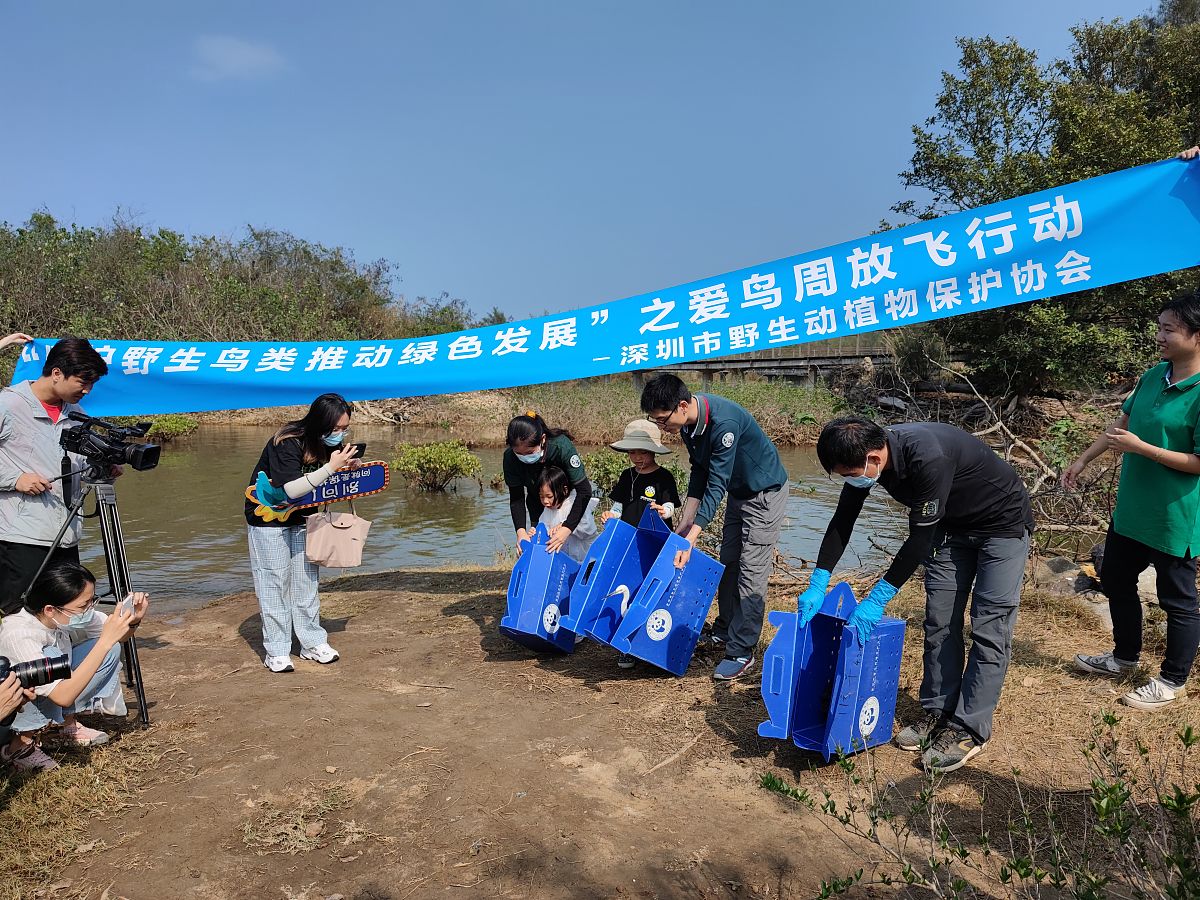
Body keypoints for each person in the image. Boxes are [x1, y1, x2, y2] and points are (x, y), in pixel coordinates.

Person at [805, 417, 1033, 773]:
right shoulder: (865, 459)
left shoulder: (929, 457)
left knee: (989, 628)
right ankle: (938, 711)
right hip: (950, 528)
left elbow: (918, 539)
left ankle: (968, 728)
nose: (850, 479)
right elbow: (843, 519)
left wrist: (878, 598)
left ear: (874, 459)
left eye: (850, 472)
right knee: (940, 620)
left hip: (1000, 525)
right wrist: (819, 579)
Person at [1065, 293, 1200, 711]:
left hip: (1175, 516)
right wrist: (1084, 458)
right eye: (1159, 327)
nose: (1159, 336)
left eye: (1169, 330)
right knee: (1117, 580)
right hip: (1132, 511)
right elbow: (1119, 427)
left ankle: (1172, 680)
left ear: (1197, 336)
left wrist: (1145, 449)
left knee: (1178, 599)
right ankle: (1123, 657)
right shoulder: (1153, 376)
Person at [640, 374, 789, 682]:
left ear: (682, 406)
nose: (662, 427)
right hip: (739, 492)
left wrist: (691, 538)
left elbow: (716, 484)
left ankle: (741, 651)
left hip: (764, 493)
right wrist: (685, 521)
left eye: (662, 419)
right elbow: (700, 472)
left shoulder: (724, 424)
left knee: (751, 571)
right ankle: (724, 631)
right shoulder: (687, 425)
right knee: (729, 562)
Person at [246, 393, 359, 673]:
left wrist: (346, 467)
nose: (341, 435)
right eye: (337, 429)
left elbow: (326, 475)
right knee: (274, 581)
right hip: (269, 517)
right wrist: (331, 467)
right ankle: (277, 650)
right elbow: (290, 490)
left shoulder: (326, 442)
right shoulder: (287, 442)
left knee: (306, 580)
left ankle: (311, 643)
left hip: (304, 517)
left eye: (345, 429)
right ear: (320, 424)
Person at [0, 336, 110, 615]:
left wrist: (104, 468)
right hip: (21, 537)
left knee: (64, 612)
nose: (87, 390)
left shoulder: (76, 414)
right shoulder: (9, 405)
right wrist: (15, 479)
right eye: (83, 382)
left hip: (66, 533)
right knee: (19, 615)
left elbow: (79, 467)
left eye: (92, 384)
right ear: (57, 373)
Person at [0, 562, 147, 771]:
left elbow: (118, 635)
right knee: (54, 659)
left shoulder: (65, 615)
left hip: (51, 691)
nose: (89, 610)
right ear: (50, 609)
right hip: (8, 715)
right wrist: (105, 640)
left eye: (91, 601)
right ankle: (19, 746)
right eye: (84, 605)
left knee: (109, 649)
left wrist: (132, 620)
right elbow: (62, 696)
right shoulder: (20, 634)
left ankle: (60, 727)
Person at [503, 412, 592, 555]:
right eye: (519, 454)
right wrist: (521, 532)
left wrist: (566, 528)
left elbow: (584, 490)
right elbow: (516, 498)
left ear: (543, 439)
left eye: (530, 452)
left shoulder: (561, 446)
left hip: (567, 505)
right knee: (541, 551)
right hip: (537, 505)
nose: (525, 458)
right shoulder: (510, 458)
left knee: (571, 551)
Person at [602, 419, 680, 527]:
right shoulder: (627, 475)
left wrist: (664, 512)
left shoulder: (664, 476)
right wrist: (611, 514)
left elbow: (669, 504)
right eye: (632, 452)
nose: (637, 457)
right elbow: (618, 506)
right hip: (629, 532)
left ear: (653, 451)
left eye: (643, 452)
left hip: (655, 534)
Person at [535, 467, 600, 563]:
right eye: (541, 496)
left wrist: (563, 525)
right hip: (566, 561)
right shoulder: (547, 511)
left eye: (549, 496)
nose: (545, 501)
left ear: (564, 490)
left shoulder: (575, 504)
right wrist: (535, 532)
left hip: (587, 558)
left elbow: (587, 529)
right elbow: (544, 530)